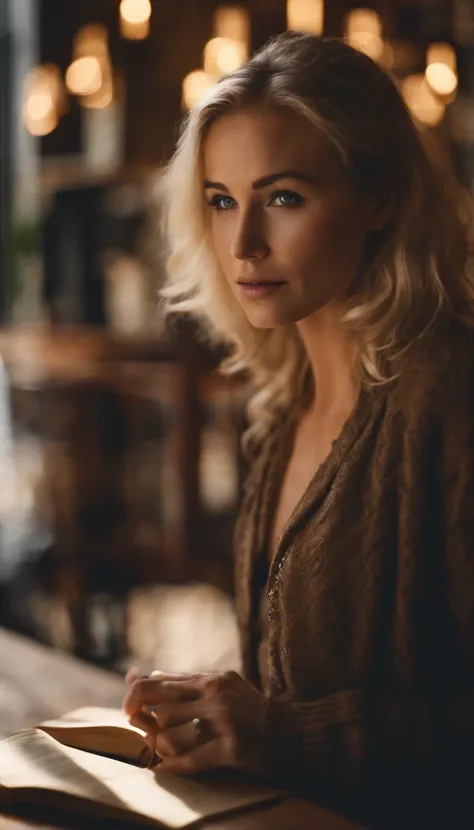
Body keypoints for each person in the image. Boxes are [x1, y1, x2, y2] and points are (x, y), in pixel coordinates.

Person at [123, 32, 474, 827]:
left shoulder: (449, 398)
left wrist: (284, 735)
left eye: (282, 197)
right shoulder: (284, 407)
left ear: (379, 197)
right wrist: (210, 713)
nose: (243, 244)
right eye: (221, 200)